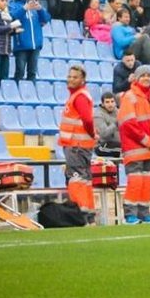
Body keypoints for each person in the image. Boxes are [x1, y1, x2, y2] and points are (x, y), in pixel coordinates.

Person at [117, 65, 150, 224]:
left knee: (147, 181)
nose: (146, 78)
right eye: (143, 75)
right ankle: (130, 215)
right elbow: (128, 123)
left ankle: (144, 213)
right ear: (137, 78)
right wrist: (148, 141)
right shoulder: (129, 96)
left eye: (149, 75)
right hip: (135, 148)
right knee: (135, 181)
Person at [58, 65, 97, 218]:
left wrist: (92, 133)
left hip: (76, 146)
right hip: (81, 146)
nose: (71, 79)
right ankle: (89, 214)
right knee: (85, 179)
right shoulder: (80, 95)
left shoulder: (79, 96)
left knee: (76, 178)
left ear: (82, 80)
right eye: (70, 76)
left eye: (75, 77)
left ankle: (80, 214)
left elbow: (87, 119)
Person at [9, 0, 51, 82]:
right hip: (21, 44)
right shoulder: (13, 4)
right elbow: (12, 17)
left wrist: (40, 9)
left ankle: (29, 94)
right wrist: (24, 9)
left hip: (35, 44)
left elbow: (47, 18)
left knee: (32, 73)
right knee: (20, 72)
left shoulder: (35, 5)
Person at [94, 91, 121, 159]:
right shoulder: (98, 115)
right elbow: (104, 134)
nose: (110, 104)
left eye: (112, 101)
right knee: (126, 151)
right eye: (107, 102)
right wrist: (116, 123)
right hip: (103, 146)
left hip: (117, 144)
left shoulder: (118, 112)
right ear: (103, 104)